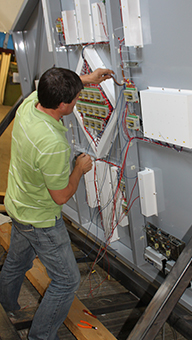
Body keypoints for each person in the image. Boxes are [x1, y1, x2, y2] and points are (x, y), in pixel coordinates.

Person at [0, 66, 114, 340]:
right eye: (74, 100)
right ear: (62, 105)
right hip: (40, 219)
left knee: (17, 261)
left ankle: (6, 307)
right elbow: (61, 196)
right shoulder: (52, 143)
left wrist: (87, 79)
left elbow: (48, 86)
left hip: (18, 204)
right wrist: (79, 169)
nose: (76, 103)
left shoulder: (30, 105)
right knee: (67, 281)